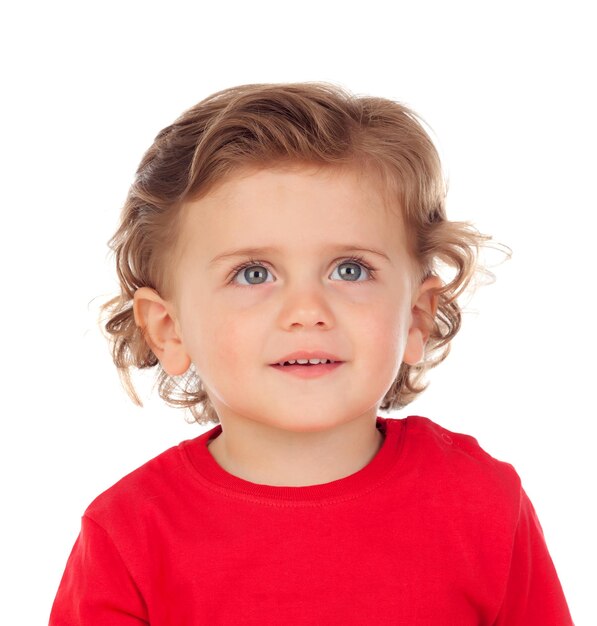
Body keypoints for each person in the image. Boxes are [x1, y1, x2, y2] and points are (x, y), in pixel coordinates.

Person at [49, 83, 573, 625]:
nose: (306, 310)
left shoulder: (483, 503)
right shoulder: (129, 535)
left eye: (350, 269)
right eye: (253, 274)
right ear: (169, 329)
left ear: (417, 315)